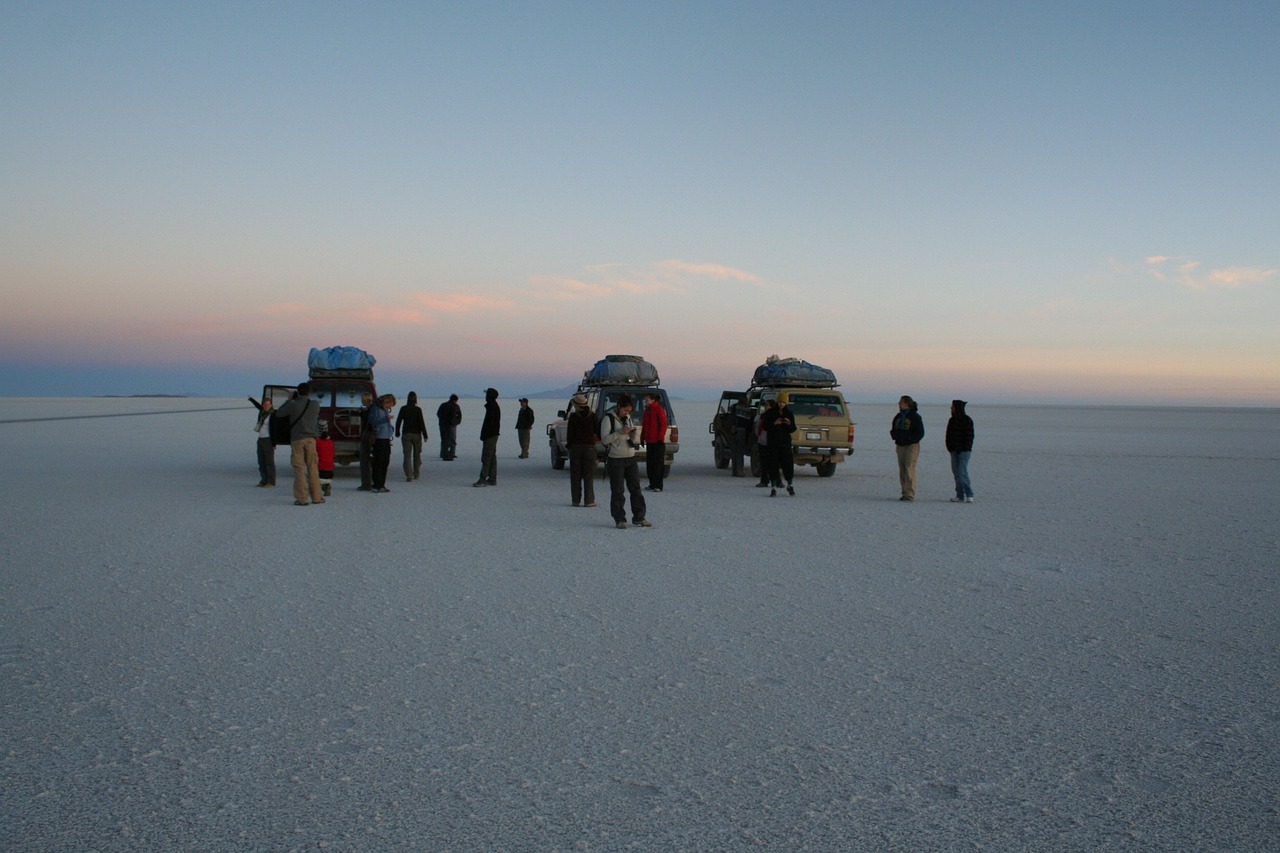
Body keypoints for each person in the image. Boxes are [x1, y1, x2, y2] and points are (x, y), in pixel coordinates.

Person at [600, 394, 650, 529]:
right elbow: (605, 440)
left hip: (630, 457)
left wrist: (632, 434)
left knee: (636, 490)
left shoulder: (628, 418)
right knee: (618, 491)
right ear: (618, 407)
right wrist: (620, 432)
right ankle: (619, 519)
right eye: (625, 410)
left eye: (629, 411)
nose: (627, 413)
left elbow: (629, 438)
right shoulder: (608, 419)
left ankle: (639, 517)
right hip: (616, 459)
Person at [274, 381, 325, 506]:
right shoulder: (315, 405)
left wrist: (289, 400)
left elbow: (279, 413)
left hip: (297, 439)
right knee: (313, 468)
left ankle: (302, 498)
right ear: (309, 392)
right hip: (311, 440)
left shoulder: (293, 405)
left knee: (299, 469)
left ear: (297, 392)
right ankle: (317, 497)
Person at [565, 393, 599, 507]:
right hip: (589, 448)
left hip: (576, 448)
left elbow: (570, 434)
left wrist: (569, 446)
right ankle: (589, 500)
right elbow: (597, 432)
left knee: (575, 476)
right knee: (588, 476)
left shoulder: (574, 417)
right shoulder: (593, 416)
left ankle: (576, 500)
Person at [890, 395, 925, 501]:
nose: (899, 404)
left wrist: (910, 439)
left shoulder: (915, 417)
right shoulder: (898, 416)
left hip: (911, 446)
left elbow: (920, 432)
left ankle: (909, 493)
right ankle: (904, 492)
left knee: (909, 467)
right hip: (900, 445)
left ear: (906, 403)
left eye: (901, 402)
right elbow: (893, 428)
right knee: (903, 470)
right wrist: (895, 436)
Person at [763, 393, 797, 497]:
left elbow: (793, 429)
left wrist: (789, 424)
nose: (781, 404)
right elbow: (765, 427)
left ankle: (790, 485)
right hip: (773, 443)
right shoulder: (770, 413)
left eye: (783, 402)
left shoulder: (789, 413)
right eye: (779, 402)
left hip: (785, 444)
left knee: (788, 465)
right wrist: (774, 424)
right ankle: (773, 487)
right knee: (773, 465)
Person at [945, 399, 975, 503]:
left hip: (964, 451)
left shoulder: (967, 420)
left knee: (962, 472)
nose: (951, 408)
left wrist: (964, 448)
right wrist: (950, 447)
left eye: (952, 407)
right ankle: (960, 495)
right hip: (953, 450)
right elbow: (948, 435)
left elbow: (970, 437)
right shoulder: (952, 420)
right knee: (956, 473)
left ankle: (969, 494)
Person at [395, 391, 429, 481]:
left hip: (406, 434)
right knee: (417, 455)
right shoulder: (418, 410)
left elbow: (398, 421)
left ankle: (409, 475)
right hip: (417, 435)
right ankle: (416, 473)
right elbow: (421, 423)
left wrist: (397, 432)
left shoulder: (403, 409)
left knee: (407, 455)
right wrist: (425, 435)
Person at [368, 393, 396, 493]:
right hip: (379, 438)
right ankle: (376, 485)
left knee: (385, 462)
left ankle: (381, 484)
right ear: (386, 401)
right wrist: (386, 419)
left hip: (386, 438)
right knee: (379, 462)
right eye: (390, 404)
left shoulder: (383, 409)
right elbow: (372, 421)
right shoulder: (376, 409)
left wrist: (390, 429)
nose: (390, 407)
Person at [641, 392, 668, 492]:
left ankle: (658, 485)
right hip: (650, 441)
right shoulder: (647, 410)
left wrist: (660, 438)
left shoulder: (659, 409)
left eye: (647, 399)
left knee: (658, 464)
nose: (646, 401)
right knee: (650, 464)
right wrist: (642, 438)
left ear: (653, 400)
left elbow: (664, 425)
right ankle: (652, 484)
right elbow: (645, 425)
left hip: (657, 442)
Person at [474, 387, 500, 486]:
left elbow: (490, 424)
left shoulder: (492, 407)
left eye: (487, 394)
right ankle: (492, 478)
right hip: (491, 435)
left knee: (487, 457)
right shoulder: (491, 406)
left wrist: (485, 435)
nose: (485, 396)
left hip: (490, 436)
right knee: (491, 456)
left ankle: (483, 479)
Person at [248, 395, 276, 487]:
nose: (266, 406)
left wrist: (274, 444)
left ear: (271, 405)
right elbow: (258, 406)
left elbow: (275, 430)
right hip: (260, 439)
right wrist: (251, 400)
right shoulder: (262, 413)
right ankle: (264, 480)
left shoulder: (273, 415)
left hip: (268, 439)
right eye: (265, 405)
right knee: (261, 461)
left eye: (268, 405)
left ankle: (271, 482)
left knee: (269, 462)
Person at [358, 391, 375, 490]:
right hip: (369, 437)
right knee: (369, 461)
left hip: (367, 438)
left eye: (362, 399)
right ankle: (370, 482)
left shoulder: (370, 410)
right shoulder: (371, 409)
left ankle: (366, 484)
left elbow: (369, 425)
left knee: (365, 461)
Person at [754, 402, 773, 487]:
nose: (765, 407)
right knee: (763, 462)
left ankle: (774, 480)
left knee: (772, 462)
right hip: (762, 441)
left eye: (767, 405)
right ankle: (765, 479)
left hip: (771, 441)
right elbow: (758, 427)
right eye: (765, 405)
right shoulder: (763, 416)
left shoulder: (774, 415)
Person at [437, 394, 461, 460]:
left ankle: (443, 453)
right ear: (455, 400)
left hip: (442, 425)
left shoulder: (443, 405)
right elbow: (459, 415)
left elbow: (438, 413)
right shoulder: (455, 406)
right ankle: (451, 453)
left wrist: (442, 420)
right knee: (452, 440)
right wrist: (456, 422)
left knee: (444, 439)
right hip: (451, 425)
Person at [316, 422, 335, 498]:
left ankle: (317, 489)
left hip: (320, 470)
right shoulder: (331, 442)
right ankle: (327, 486)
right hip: (330, 471)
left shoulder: (317, 442)